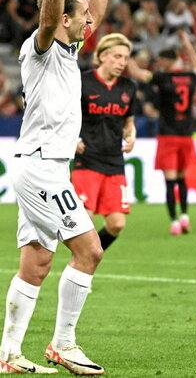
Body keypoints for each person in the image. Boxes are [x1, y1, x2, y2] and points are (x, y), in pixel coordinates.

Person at [0, 0, 121, 375]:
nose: (90, 20)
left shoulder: (71, 51)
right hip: (43, 167)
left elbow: (95, 15)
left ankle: (9, 354)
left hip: (43, 165)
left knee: (37, 262)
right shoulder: (42, 46)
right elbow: (49, 19)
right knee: (90, 251)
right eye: (80, 14)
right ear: (64, 18)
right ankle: (63, 344)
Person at [72, 33, 138, 252]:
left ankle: (89, 257)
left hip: (114, 161)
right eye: (117, 56)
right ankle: (82, 265)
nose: (122, 62)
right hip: (87, 158)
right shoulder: (82, 82)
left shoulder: (128, 87)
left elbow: (128, 121)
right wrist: (72, 139)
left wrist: (131, 134)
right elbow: (64, 116)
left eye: (125, 58)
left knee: (117, 223)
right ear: (102, 56)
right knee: (85, 220)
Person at [148, 30, 196, 235]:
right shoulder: (190, 77)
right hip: (186, 135)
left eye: (161, 61)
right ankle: (185, 216)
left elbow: (140, 76)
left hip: (168, 135)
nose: (159, 64)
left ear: (166, 61)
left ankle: (173, 222)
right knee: (182, 179)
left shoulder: (163, 78)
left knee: (170, 181)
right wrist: (187, 44)